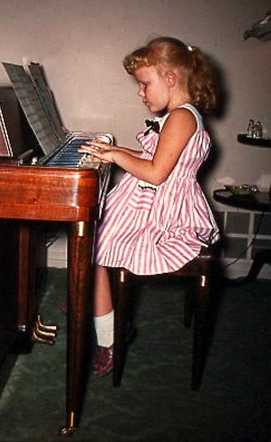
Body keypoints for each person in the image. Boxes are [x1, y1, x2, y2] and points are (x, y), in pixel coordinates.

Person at [79, 36, 221, 377]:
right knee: (94, 243)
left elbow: (157, 173)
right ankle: (101, 315)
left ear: (170, 78)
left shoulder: (181, 118)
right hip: (155, 200)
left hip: (163, 212)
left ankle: (108, 338)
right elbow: (152, 157)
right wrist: (113, 151)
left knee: (93, 247)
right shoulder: (182, 116)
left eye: (144, 84)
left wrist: (114, 156)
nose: (140, 93)